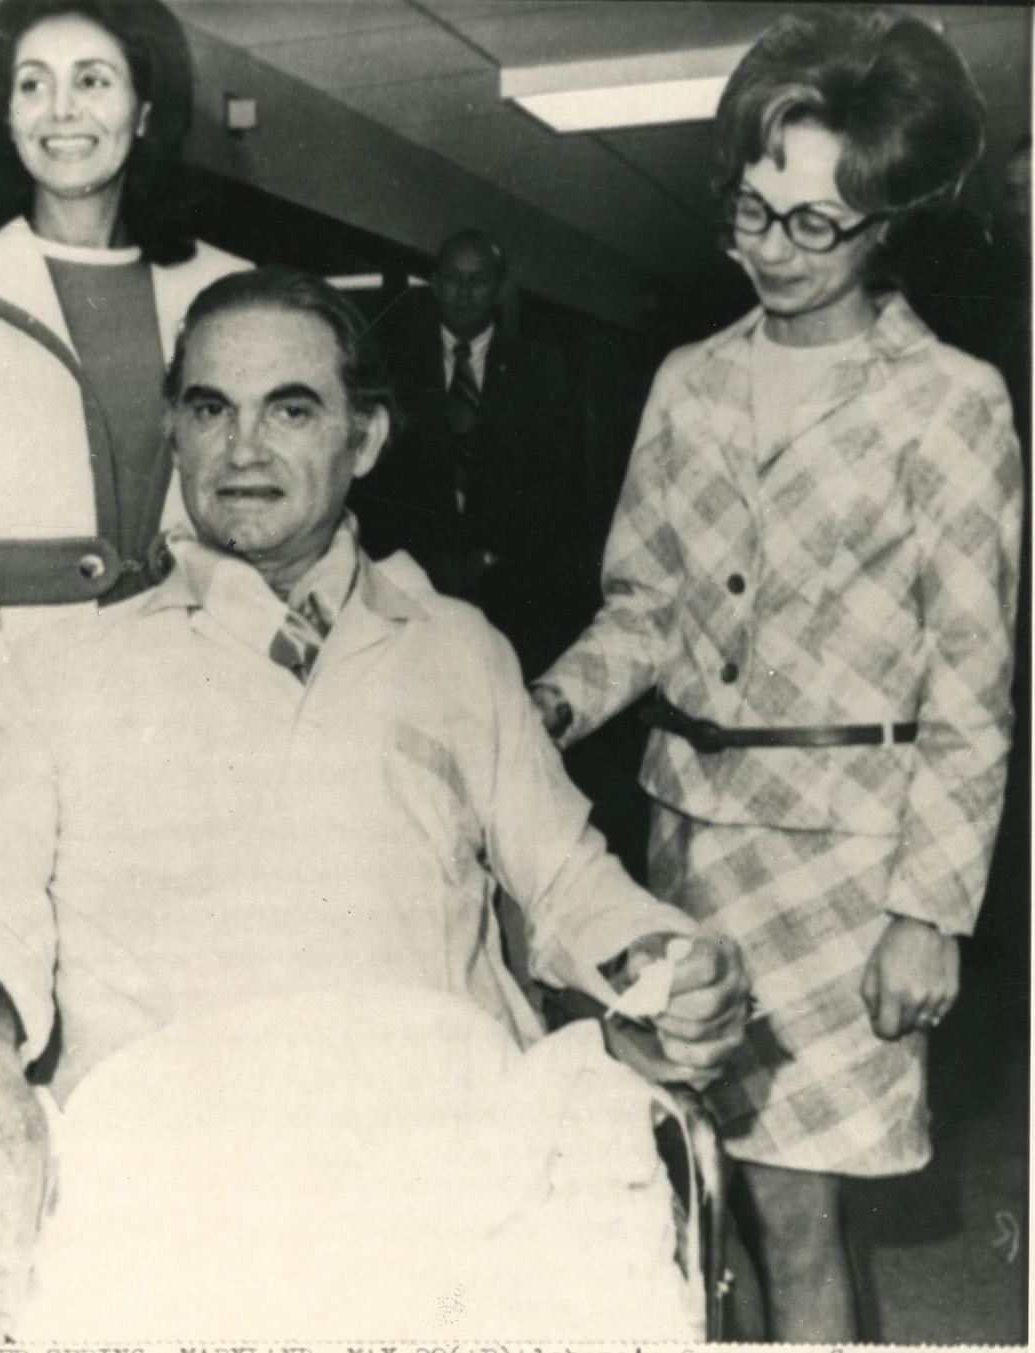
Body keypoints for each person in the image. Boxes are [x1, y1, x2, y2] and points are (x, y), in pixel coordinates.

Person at [0, 267, 749, 1335]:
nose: (243, 449)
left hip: (453, 1147)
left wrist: (665, 968)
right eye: (211, 410)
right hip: (178, 1162)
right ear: (177, 434)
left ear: (367, 439)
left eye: (290, 409)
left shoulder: (460, 654)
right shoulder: (60, 675)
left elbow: (572, 883)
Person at [531, 8, 1021, 1341]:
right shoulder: (688, 383)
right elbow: (645, 605)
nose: (776, 250)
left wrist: (935, 909)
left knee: (797, 1211)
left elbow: (974, 684)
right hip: (690, 844)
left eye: (817, 225)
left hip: (853, 870)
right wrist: (549, 703)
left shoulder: (952, 400)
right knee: (695, 1189)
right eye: (755, 211)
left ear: (889, 224)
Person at [0, 0, 250, 1112]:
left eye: (91, 79)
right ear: (2, 113)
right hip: (6, 694)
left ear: (144, 110)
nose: (60, 110)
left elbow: (242, 509)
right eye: (32, 83)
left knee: (170, 1029)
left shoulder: (221, 286)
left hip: (177, 687)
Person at [352, 229, 592, 676]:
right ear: (436, 283)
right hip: (412, 585)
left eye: (478, 279)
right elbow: (373, 483)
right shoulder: (392, 366)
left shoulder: (540, 370)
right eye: (452, 277)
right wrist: (426, 560)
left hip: (512, 591)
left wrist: (486, 557)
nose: (463, 292)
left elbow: (558, 485)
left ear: (499, 288)